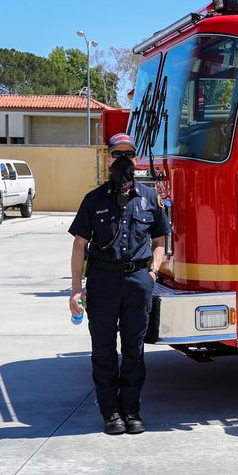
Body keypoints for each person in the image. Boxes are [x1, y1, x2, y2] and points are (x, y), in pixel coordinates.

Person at [69, 133, 171, 435]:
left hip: (138, 282)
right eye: (117, 154)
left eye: (128, 154)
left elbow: (159, 240)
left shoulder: (150, 198)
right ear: (108, 158)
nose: (123, 160)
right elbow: (79, 244)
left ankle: (131, 409)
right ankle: (110, 411)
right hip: (103, 282)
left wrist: (153, 272)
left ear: (136, 159)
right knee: (103, 348)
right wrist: (76, 289)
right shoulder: (94, 200)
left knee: (134, 349)